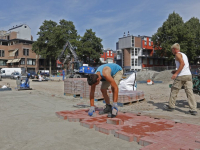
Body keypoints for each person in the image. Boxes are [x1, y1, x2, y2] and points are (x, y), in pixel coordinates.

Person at [163, 43, 197, 115]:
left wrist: (176, 74)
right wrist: (176, 71)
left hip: (181, 76)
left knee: (174, 90)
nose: (172, 51)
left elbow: (182, 64)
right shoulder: (184, 55)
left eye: (172, 50)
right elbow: (186, 66)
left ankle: (171, 106)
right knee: (190, 93)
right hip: (188, 75)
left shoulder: (177, 54)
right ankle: (193, 109)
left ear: (174, 49)